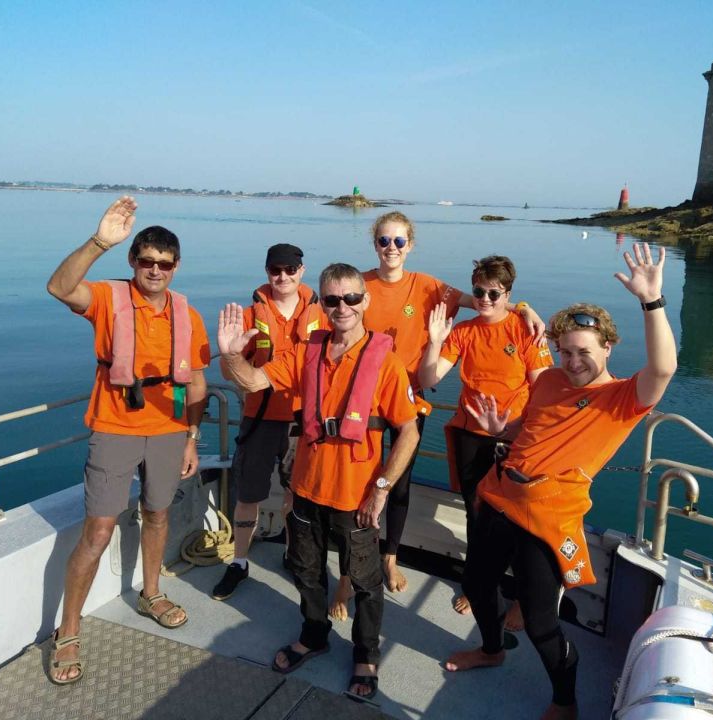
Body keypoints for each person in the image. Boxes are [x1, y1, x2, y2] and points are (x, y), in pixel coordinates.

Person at [445, 243, 677, 720]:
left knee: (539, 620)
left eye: (583, 352)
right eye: (565, 350)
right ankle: (491, 649)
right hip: (502, 494)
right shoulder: (548, 380)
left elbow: (663, 369)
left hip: (547, 514)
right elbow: (527, 429)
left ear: (608, 347)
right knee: (476, 579)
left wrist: (651, 302)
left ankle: (564, 701)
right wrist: (499, 431)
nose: (573, 361)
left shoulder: (621, 399)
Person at [329, 211, 547, 620]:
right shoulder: (357, 286)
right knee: (353, 484)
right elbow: (329, 318)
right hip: (359, 401)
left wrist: (526, 307)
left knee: (400, 485)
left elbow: (485, 300)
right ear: (374, 243)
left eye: (398, 241)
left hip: (410, 402)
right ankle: (348, 573)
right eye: (383, 240)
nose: (391, 248)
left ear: (410, 245)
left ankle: (389, 558)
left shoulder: (429, 287)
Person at [218, 263, 420, 700]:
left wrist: (382, 489)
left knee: (364, 581)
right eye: (332, 299)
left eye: (351, 298)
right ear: (322, 304)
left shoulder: (385, 361)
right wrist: (231, 354)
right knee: (307, 572)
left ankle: (366, 653)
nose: (342, 306)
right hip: (307, 492)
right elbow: (253, 381)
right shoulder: (305, 354)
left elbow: (409, 430)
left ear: (364, 301)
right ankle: (314, 634)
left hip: (357, 497)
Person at [45, 196, 210, 685]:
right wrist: (100, 241)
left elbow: (194, 384)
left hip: (168, 431)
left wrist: (190, 437)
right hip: (115, 430)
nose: (154, 270)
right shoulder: (106, 300)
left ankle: (151, 592)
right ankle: (68, 630)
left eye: (163, 263)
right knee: (98, 530)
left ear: (175, 267)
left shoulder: (187, 314)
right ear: (132, 262)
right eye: (145, 261)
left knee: (157, 514)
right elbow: (59, 287)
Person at [419, 255, 553, 625]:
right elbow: (431, 376)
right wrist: (433, 343)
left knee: (516, 518)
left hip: (513, 437)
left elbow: (543, 388)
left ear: (507, 294)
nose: (485, 300)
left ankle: (520, 593)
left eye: (494, 294)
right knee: (475, 512)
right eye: (478, 291)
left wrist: (523, 432)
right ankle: (478, 585)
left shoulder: (525, 330)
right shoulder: (463, 331)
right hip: (471, 435)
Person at [211, 243, 325, 601]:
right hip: (259, 419)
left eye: (290, 269)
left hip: (303, 422)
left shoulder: (326, 314)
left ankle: (294, 556)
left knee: (297, 493)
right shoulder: (247, 317)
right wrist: (229, 353)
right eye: (276, 270)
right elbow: (232, 374)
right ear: (266, 272)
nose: (283, 276)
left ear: (302, 271)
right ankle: (239, 562)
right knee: (248, 495)